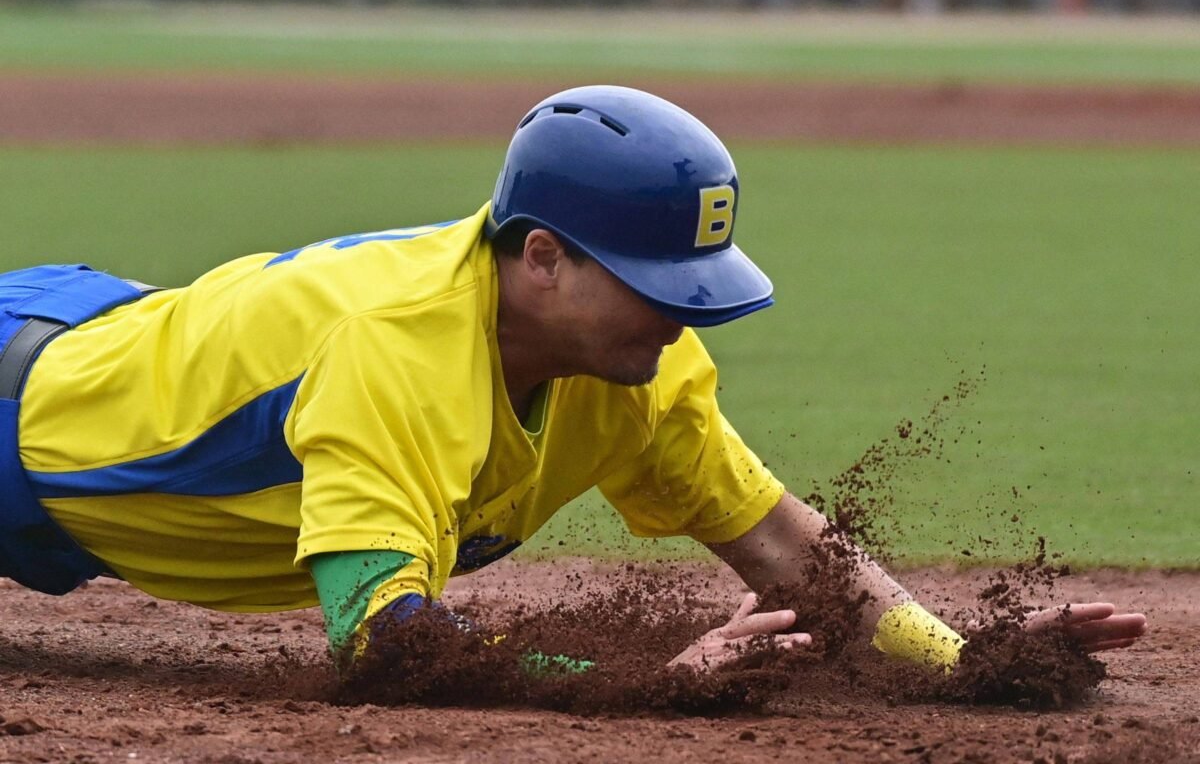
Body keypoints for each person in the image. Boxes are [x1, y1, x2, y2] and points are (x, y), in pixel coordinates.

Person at [0, 85, 1144, 680]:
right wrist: (645, 668)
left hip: (112, 347)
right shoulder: (394, 355)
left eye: (697, 285)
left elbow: (792, 555)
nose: (682, 314)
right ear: (540, 256)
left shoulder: (637, 366)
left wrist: (962, 654)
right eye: (657, 282)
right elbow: (385, 642)